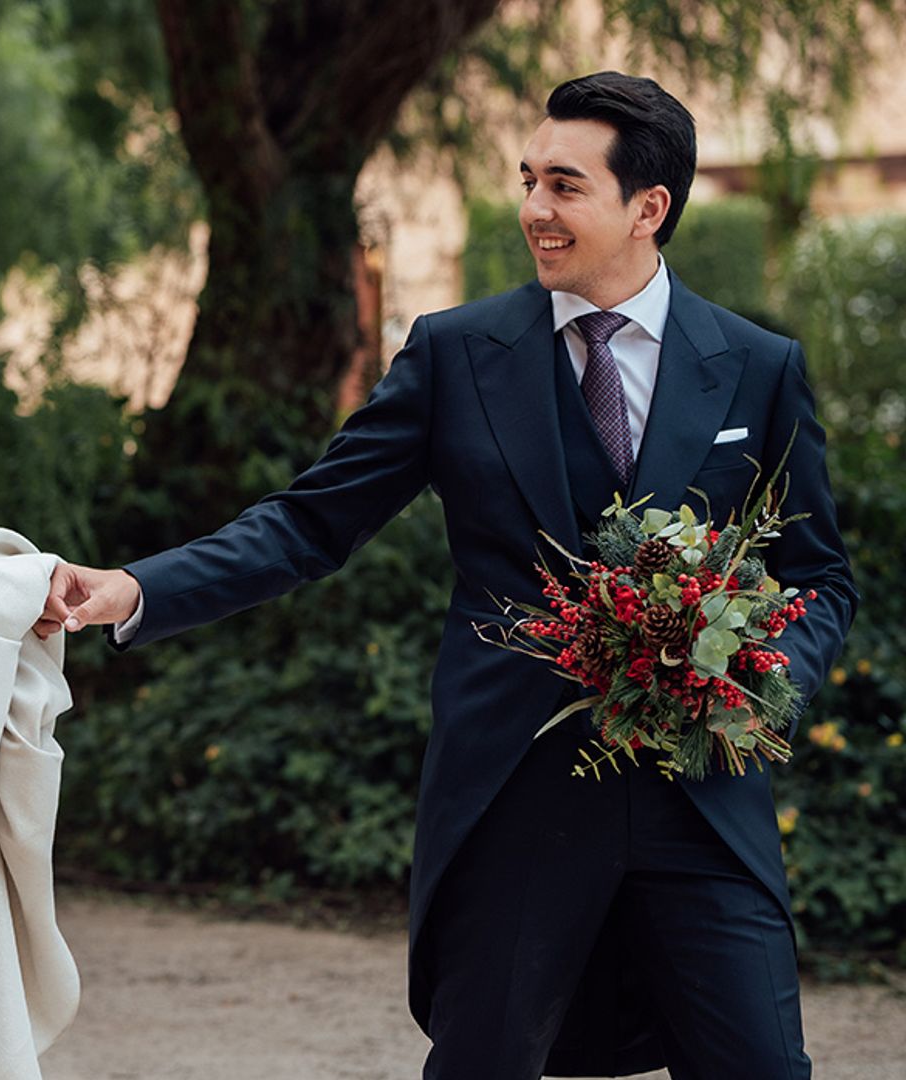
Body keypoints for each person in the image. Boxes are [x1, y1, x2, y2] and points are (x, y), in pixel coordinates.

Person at [45, 72, 856, 1079]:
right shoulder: (456, 355)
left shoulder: (758, 366)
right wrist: (136, 587)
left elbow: (818, 574)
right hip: (516, 793)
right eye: (528, 180)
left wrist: (754, 678)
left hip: (702, 797)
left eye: (564, 185)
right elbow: (309, 524)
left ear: (650, 208)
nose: (531, 210)